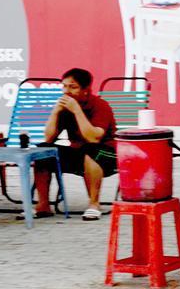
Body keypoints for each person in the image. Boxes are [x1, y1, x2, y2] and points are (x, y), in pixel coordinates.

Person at [32, 68, 117, 221]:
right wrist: (55, 112)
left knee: (90, 148)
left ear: (86, 90)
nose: (67, 91)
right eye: (64, 86)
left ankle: (94, 204)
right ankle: (43, 205)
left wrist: (77, 111)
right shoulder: (65, 108)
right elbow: (49, 137)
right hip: (79, 153)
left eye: (73, 87)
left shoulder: (100, 105)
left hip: (107, 154)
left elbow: (93, 138)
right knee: (43, 151)